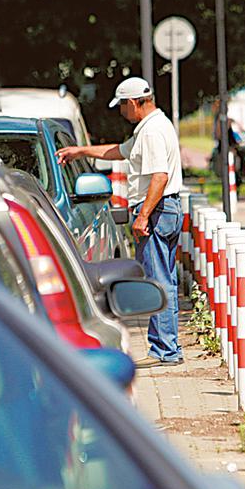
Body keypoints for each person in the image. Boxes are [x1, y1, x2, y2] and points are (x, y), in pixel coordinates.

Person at [55, 76, 184, 368]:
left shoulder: (151, 132)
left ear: (134, 103)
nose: (121, 112)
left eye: (122, 106)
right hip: (165, 209)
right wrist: (81, 151)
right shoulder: (151, 127)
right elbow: (119, 151)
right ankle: (166, 346)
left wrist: (142, 216)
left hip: (157, 210)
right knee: (164, 277)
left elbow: (159, 177)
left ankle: (166, 350)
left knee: (158, 280)